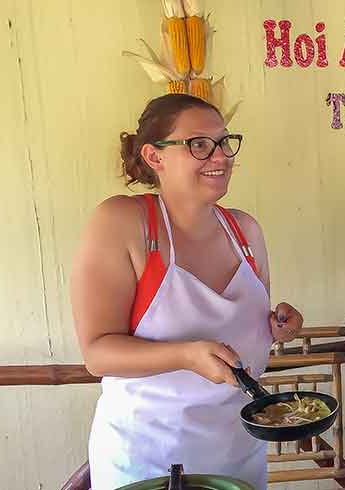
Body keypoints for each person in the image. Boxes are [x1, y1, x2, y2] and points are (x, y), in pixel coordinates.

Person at [70, 93, 303, 490]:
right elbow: (98, 353)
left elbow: (248, 328)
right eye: (199, 144)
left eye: (225, 142)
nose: (221, 156)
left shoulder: (245, 231)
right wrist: (185, 355)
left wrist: (278, 325)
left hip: (237, 450)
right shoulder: (124, 223)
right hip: (150, 459)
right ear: (154, 156)